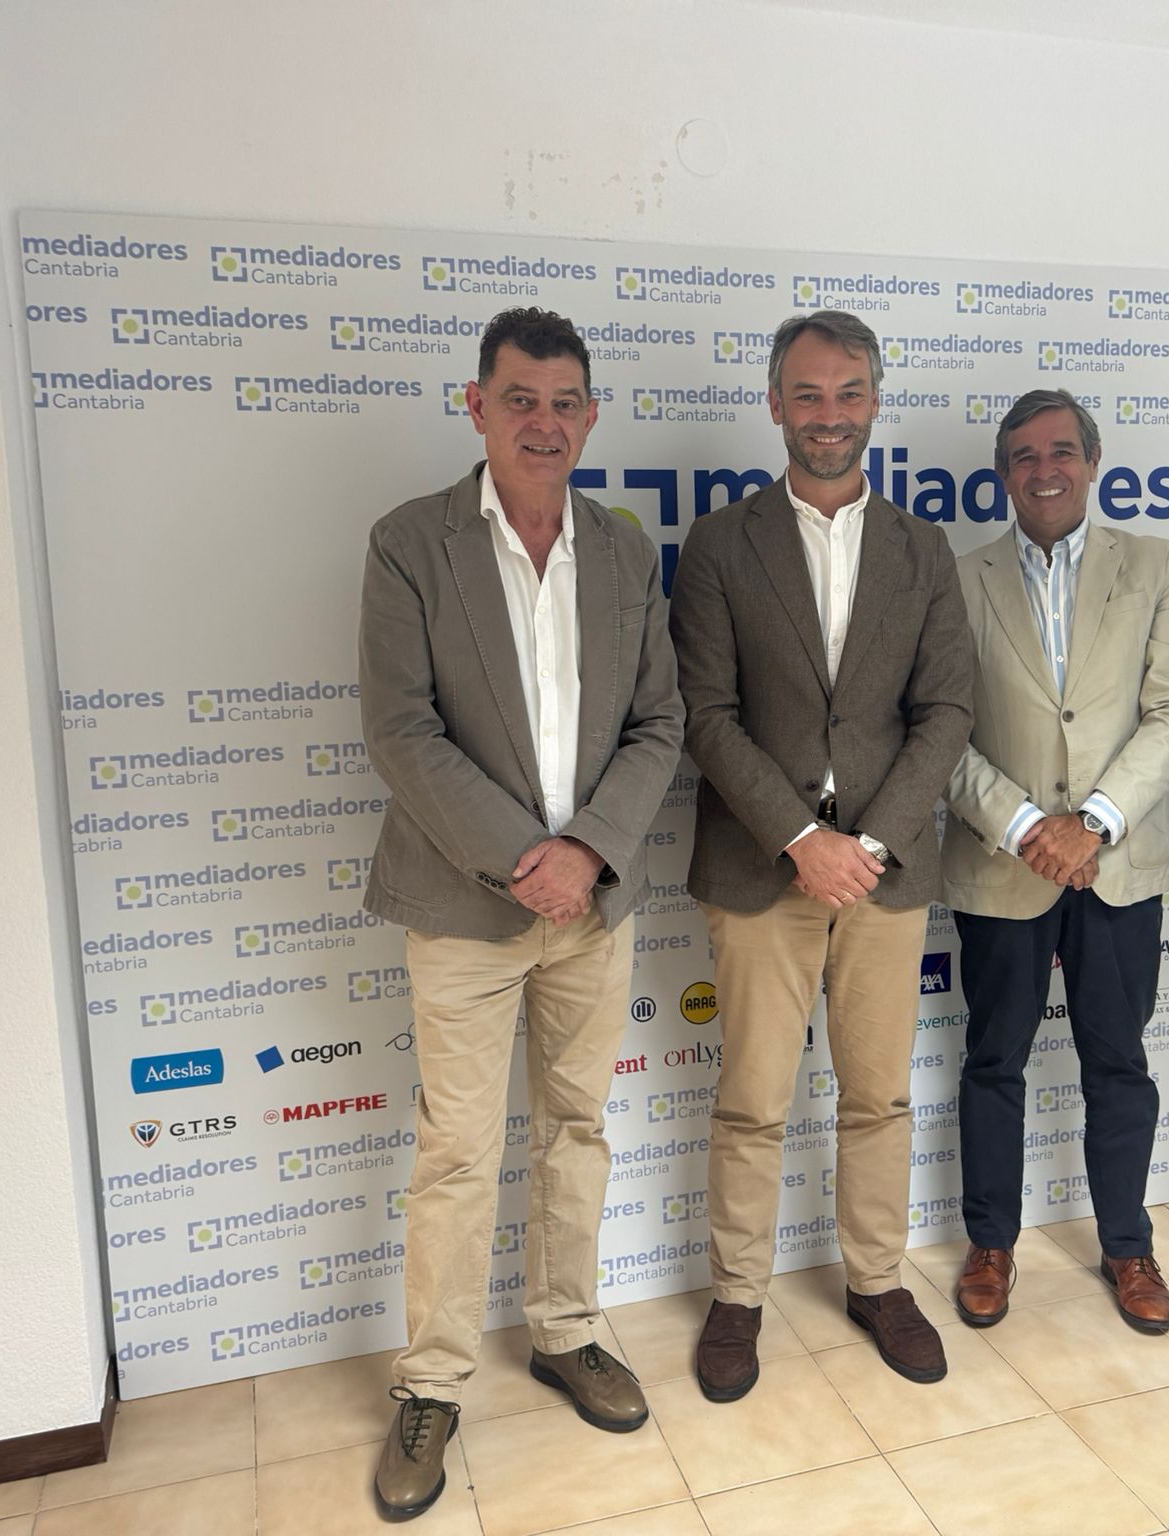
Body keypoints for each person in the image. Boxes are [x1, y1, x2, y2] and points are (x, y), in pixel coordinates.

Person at [358, 307, 683, 1517]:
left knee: (575, 1128)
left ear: (588, 417)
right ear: (476, 406)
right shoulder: (410, 543)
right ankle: (430, 1384)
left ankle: (565, 1331)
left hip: (593, 904)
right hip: (462, 905)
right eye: (518, 400)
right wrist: (521, 859)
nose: (542, 424)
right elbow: (400, 730)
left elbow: (658, 722)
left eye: (562, 404)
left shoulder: (624, 552)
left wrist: (585, 851)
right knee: (456, 1150)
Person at [668, 310, 972, 1400]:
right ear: (775, 405)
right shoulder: (720, 544)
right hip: (763, 868)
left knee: (878, 1099)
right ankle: (738, 1296)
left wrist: (868, 843)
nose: (828, 415)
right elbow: (704, 715)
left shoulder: (922, 549)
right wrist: (801, 840)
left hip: (885, 875)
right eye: (807, 394)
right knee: (753, 1099)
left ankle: (876, 1281)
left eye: (848, 393)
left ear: (874, 402)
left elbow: (946, 711)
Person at [941, 389, 1169, 1332]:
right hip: (1002, 860)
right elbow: (937, 727)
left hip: (1120, 860)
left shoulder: (1157, 566)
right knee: (993, 1062)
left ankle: (1128, 1245)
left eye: (1061, 451)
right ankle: (990, 1243)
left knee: (1119, 1062)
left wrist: (1091, 824)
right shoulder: (956, 579)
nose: (1044, 469)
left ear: (1093, 463)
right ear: (1002, 474)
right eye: (1023, 456)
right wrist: (1026, 827)